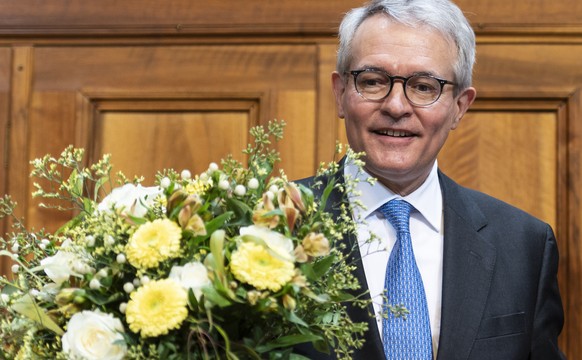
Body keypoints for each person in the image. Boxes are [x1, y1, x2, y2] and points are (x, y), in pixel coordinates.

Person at [295, 0, 566, 358]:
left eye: (424, 87)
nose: (396, 106)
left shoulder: (524, 245)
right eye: (373, 81)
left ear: (459, 107)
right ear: (341, 93)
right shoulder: (268, 225)